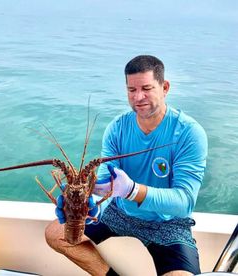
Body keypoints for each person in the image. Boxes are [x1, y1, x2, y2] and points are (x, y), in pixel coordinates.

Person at [45, 55, 208, 276]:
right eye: (132, 90)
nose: (138, 97)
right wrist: (89, 202)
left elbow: (184, 202)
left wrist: (133, 191)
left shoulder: (189, 132)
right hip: (119, 213)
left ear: (165, 87)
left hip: (167, 224)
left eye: (146, 88)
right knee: (55, 232)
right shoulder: (117, 128)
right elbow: (105, 182)